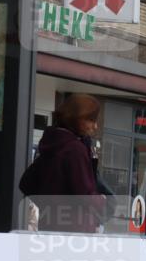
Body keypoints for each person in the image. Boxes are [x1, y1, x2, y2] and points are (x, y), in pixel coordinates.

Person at [19, 93, 109, 233]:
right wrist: (103, 201)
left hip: (49, 226)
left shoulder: (53, 144)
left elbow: (26, 183)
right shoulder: (74, 150)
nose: (95, 126)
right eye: (91, 120)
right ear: (77, 119)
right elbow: (84, 194)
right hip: (75, 231)